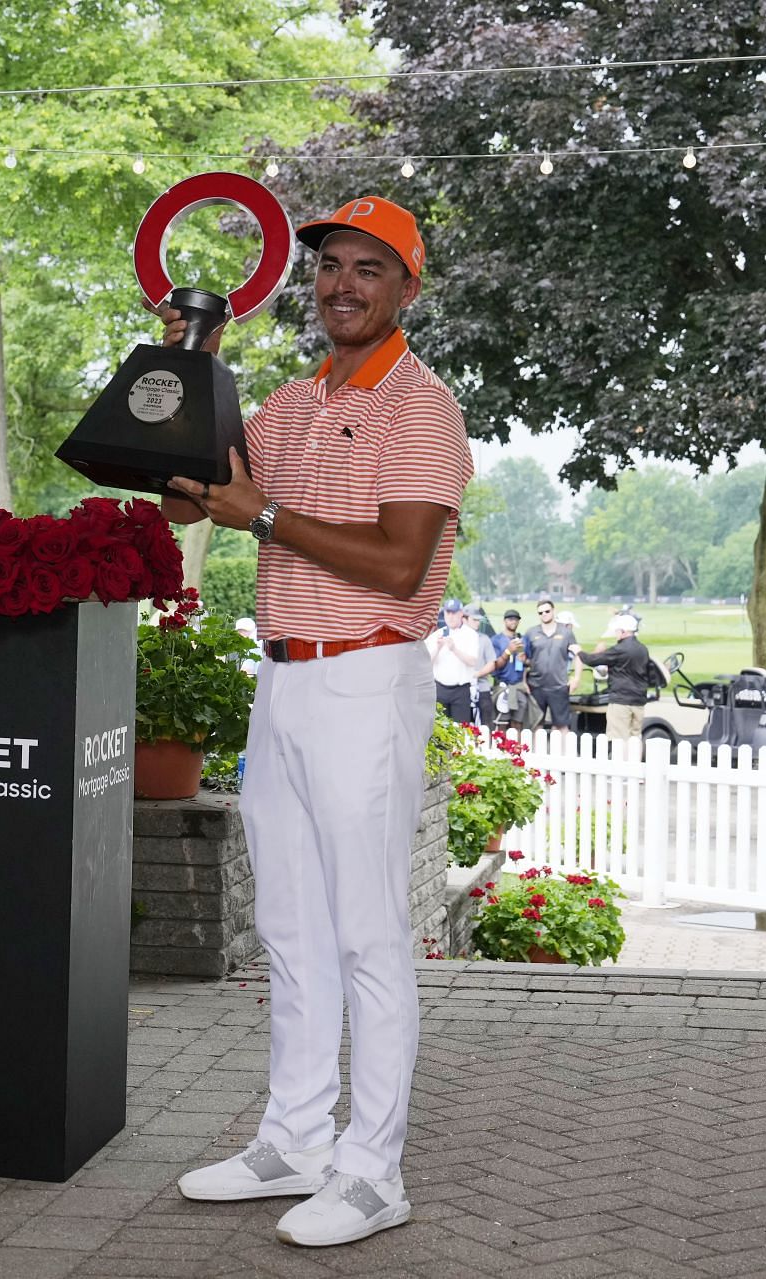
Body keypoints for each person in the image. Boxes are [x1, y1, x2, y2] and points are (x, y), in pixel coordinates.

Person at [158, 194, 472, 1247]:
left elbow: (397, 561)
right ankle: (294, 1139)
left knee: (367, 932)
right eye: (331, 265)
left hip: (367, 678)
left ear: (407, 287)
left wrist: (270, 518)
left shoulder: (421, 407)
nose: (343, 284)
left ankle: (372, 1170)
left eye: (368, 269)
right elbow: (187, 495)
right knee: (290, 927)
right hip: (286, 678)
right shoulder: (291, 402)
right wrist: (186, 367)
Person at [572, 613, 658, 741]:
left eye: (617, 631)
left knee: (618, 739)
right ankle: (635, 761)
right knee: (635, 738)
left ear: (623, 631)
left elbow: (591, 660)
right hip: (639, 701)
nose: (616, 634)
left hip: (621, 701)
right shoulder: (643, 649)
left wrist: (578, 651)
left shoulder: (619, 649)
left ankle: (621, 761)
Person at [426, 599, 490, 723]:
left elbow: (472, 661)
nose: (450, 617)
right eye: (447, 613)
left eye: (454, 613)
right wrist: (438, 648)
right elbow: (427, 663)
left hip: (461, 689)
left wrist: (454, 649)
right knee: (440, 730)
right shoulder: (437, 634)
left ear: (461, 614)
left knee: (461, 728)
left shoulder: (470, 635)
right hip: (440, 687)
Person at [521, 598, 579, 731]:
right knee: (536, 724)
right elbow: (524, 659)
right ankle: (535, 751)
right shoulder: (531, 633)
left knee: (561, 725)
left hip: (558, 685)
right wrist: (523, 681)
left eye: (547, 611)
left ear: (553, 611)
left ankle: (561, 752)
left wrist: (576, 678)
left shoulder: (566, 633)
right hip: (536, 685)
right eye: (540, 613)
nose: (544, 615)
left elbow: (578, 655)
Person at [484, 607, 535, 730]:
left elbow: (530, 663)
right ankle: (501, 747)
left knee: (519, 722)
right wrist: (508, 651)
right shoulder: (496, 640)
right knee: (502, 721)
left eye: (516, 620)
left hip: (518, 686)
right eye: (510, 619)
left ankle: (516, 747)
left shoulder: (523, 640)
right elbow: (494, 666)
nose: (513, 622)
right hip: (502, 685)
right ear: (505, 621)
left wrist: (525, 660)